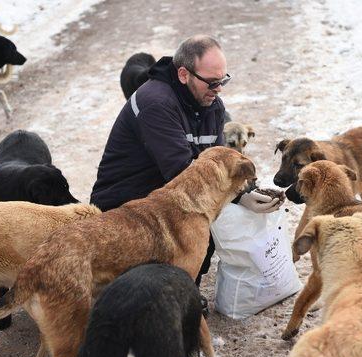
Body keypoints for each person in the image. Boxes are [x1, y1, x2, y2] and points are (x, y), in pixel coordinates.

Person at [90, 35, 283, 290]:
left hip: (164, 199)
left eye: (223, 80)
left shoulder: (213, 106)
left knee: (206, 225)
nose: (219, 89)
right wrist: (238, 196)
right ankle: (161, 293)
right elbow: (184, 174)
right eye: (212, 83)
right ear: (183, 74)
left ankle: (183, 291)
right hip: (124, 206)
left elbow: (217, 169)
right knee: (195, 225)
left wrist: (245, 193)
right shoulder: (156, 103)